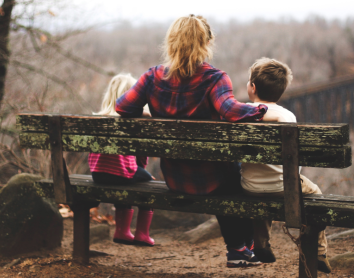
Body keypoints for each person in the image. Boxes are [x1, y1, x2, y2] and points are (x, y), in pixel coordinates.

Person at [116, 15, 283, 267]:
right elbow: (230, 110)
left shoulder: (152, 77)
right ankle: (241, 248)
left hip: (175, 177)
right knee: (240, 176)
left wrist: (148, 113)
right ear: (206, 43)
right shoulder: (214, 78)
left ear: (171, 42)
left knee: (228, 174)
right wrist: (261, 110)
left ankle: (241, 249)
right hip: (213, 179)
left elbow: (122, 107)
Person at [240, 57, 332, 273]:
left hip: (249, 187)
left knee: (261, 187)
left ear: (252, 87)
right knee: (315, 193)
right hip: (284, 187)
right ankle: (319, 251)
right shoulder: (287, 116)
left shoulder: (241, 113)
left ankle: (261, 244)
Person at [89, 73, 155, 247]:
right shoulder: (132, 120)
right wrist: (143, 170)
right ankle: (142, 234)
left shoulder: (98, 118)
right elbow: (140, 155)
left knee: (126, 177)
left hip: (97, 174)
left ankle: (122, 231)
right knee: (148, 183)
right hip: (120, 173)